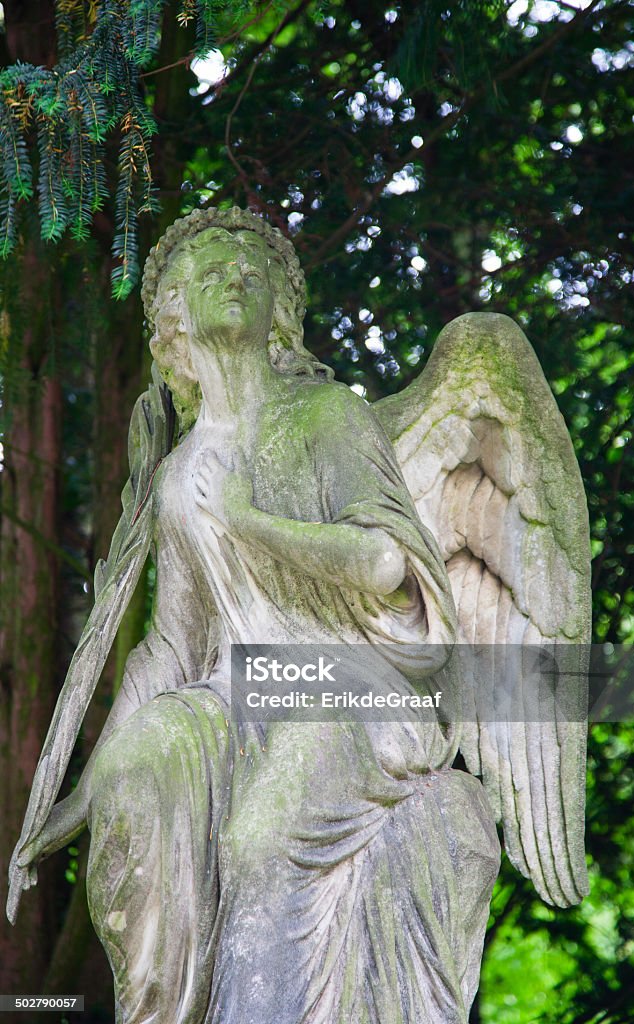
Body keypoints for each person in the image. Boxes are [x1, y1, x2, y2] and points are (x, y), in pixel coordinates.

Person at [13, 208, 500, 1024]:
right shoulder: (177, 472)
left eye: (251, 266)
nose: (234, 275)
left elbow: (385, 564)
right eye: (209, 268)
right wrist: (76, 801)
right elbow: (171, 646)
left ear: (280, 304)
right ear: (171, 315)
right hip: (229, 691)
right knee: (140, 773)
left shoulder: (325, 417)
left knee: (259, 840)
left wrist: (248, 520)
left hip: (354, 688)